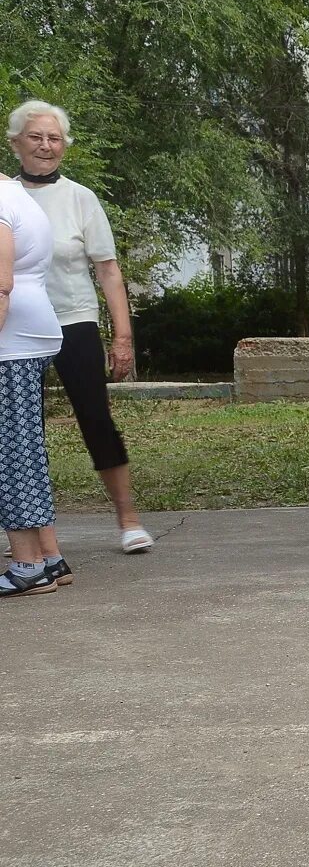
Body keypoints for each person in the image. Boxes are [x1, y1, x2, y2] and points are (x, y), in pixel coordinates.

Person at [7, 100, 151, 552]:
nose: (45, 146)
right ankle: (27, 531)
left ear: (65, 146)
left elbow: (108, 269)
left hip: (73, 321)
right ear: (15, 144)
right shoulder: (5, 194)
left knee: (95, 417)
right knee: (19, 429)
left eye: (54, 138)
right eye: (35, 137)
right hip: (15, 328)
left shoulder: (80, 197)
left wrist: (122, 336)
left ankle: (128, 518)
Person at [0, 172, 71, 597]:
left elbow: (0, 285)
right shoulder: (13, 191)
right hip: (28, 334)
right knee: (22, 447)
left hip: (9, 342)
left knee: (11, 452)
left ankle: (27, 565)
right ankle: (48, 557)